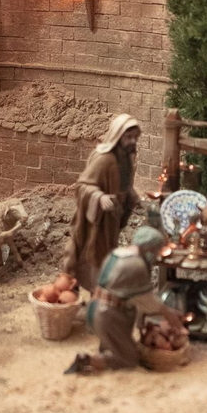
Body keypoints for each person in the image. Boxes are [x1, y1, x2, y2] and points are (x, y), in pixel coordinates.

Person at [66, 226, 184, 374]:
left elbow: (131, 295)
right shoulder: (136, 265)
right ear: (150, 248)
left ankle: (107, 351)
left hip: (97, 307)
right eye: (155, 251)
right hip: (108, 314)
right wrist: (169, 314)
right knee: (129, 359)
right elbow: (146, 299)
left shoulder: (117, 254)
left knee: (116, 345)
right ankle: (87, 360)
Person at [62, 114, 140, 292]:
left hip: (112, 218)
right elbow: (82, 186)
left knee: (106, 256)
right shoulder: (104, 159)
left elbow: (124, 185)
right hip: (96, 221)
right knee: (92, 257)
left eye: (135, 137)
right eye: (128, 137)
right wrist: (99, 197)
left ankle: (99, 295)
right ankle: (86, 294)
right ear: (118, 136)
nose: (132, 141)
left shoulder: (126, 159)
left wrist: (134, 198)